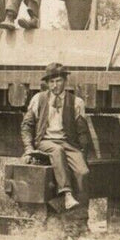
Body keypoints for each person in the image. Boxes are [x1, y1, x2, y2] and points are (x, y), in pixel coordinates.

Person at [20, 62, 92, 210]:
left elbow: (82, 132)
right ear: (47, 83)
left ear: (65, 81)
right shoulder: (38, 99)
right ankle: (67, 194)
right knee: (57, 151)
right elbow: (27, 126)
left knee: (83, 173)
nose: (55, 85)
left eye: (58, 81)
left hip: (68, 142)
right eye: (51, 82)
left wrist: (83, 154)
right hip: (46, 141)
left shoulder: (77, 102)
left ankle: (76, 214)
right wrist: (28, 148)